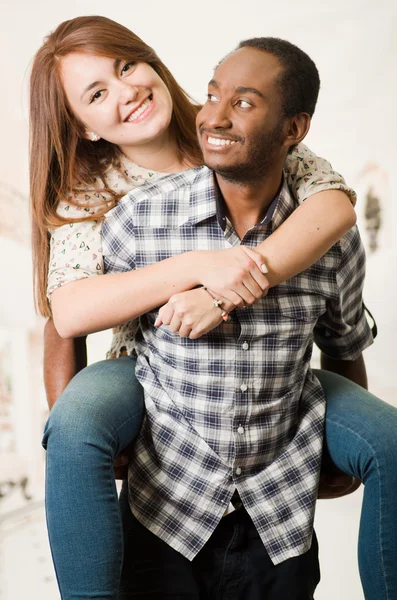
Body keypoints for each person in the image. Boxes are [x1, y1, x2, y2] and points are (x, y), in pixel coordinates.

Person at [28, 16, 397, 600]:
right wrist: (197, 266)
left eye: (127, 68)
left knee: (385, 435)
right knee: (76, 426)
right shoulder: (95, 195)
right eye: (96, 94)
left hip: (275, 348)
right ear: (84, 126)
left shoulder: (243, 138)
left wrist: (231, 286)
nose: (125, 93)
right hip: (147, 361)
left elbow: (335, 211)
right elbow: (66, 317)